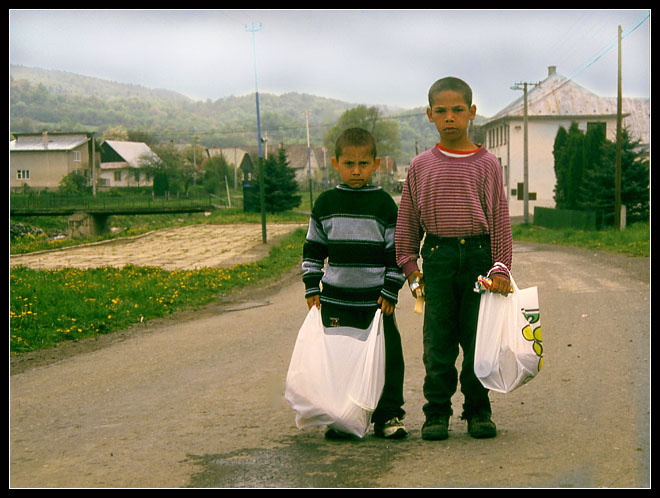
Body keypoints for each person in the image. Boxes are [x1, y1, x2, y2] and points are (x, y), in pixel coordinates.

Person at [395, 77, 513, 440]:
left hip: (479, 258)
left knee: (479, 340)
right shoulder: (419, 166)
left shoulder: (488, 164)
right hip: (439, 258)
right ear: (429, 115)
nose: (450, 118)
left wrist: (500, 267)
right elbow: (407, 227)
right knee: (439, 343)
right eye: (442, 111)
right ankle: (436, 414)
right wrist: (412, 270)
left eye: (458, 110)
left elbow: (499, 220)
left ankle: (478, 410)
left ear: (472, 113)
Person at [302, 127, 408, 440]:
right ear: (335, 163)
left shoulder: (384, 205)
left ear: (376, 164)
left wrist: (391, 288)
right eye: (349, 164)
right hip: (336, 302)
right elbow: (313, 248)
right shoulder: (325, 203)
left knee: (388, 359)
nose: (357, 170)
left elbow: (396, 252)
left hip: (376, 304)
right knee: (341, 362)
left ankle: (388, 416)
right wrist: (311, 286)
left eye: (364, 164)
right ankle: (344, 416)